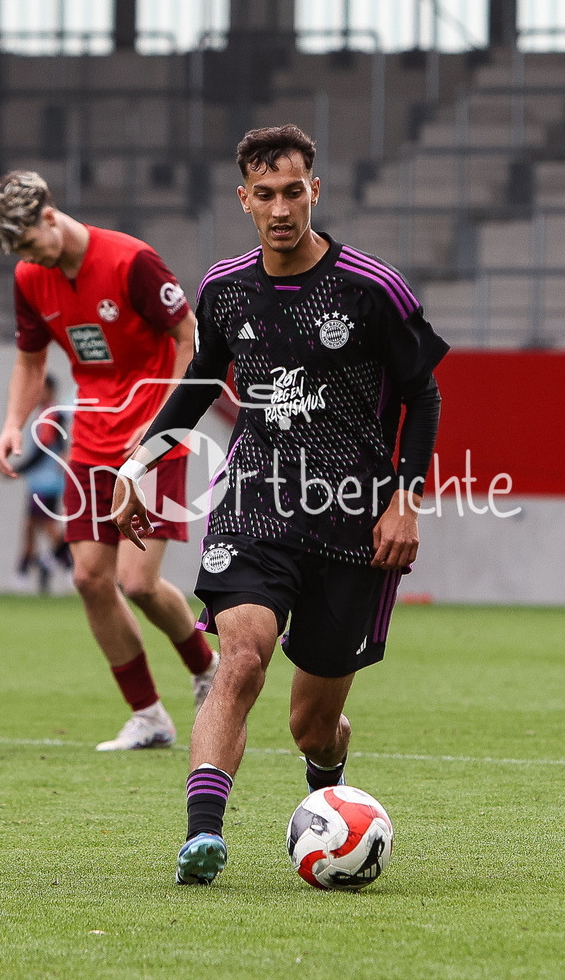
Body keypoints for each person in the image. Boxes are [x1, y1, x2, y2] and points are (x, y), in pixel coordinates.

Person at [111, 123, 450, 885]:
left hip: (352, 515)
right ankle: (204, 835)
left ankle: (327, 785)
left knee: (312, 723)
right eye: (264, 194)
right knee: (242, 657)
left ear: (315, 192)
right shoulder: (227, 289)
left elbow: (423, 392)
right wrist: (136, 461)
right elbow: (201, 382)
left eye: (293, 191)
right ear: (243, 200)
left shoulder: (371, 288)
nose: (280, 207)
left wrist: (404, 496)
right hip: (255, 500)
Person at [0, 170, 219, 751]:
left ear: (49, 217)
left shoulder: (132, 262)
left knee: (137, 582)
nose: (29, 258)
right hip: (92, 439)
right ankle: (149, 716)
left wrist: (164, 427)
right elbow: (31, 363)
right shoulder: (31, 277)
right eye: (19, 252)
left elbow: (191, 338)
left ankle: (207, 669)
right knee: (88, 578)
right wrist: (12, 425)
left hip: (155, 436)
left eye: (30, 242)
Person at [11, 372, 73, 594]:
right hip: (38, 482)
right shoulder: (45, 414)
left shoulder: (51, 415)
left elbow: (44, 448)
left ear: (49, 391)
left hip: (48, 482)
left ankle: (66, 566)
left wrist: (19, 469)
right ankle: (25, 572)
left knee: (48, 527)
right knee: (29, 527)